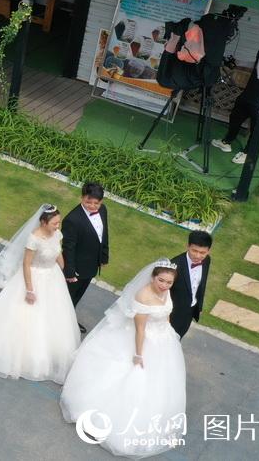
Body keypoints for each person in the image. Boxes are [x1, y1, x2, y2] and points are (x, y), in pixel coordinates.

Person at [60, 260, 186, 457]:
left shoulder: (166, 292)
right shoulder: (143, 296)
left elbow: (167, 314)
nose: (164, 285)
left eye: (169, 282)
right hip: (142, 341)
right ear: (153, 277)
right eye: (161, 280)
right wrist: (138, 354)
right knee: (131, 379)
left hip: (163, 339)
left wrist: (169, 332)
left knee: (161, 383)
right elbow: (140, 329)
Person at [0, 204, 80, 382]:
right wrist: (29, 289)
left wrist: (66, 270)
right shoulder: (33, 239)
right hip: (34, 277)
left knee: (53, 315)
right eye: (54, 223)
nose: (57, 226)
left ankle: (50, 351)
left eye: (58, 223)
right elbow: (26, 264)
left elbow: (58, 252)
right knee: (26, 317)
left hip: (53, 277)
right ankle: (24, 355)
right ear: (43, 222)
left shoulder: (56, 234)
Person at [212, 37, 259, 165]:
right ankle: (226, 142)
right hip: (248, 95)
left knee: (255, 128)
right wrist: (238, 62)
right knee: (235, 117)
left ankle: (248, 153)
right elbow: (256, 65)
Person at [62, 182, 110, 332]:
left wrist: (103, 256)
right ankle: (61, 326)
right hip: (76, 269)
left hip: (91, 266)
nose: (92, 206)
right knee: (66, 298)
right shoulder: (72, 219)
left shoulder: (102, 210)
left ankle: (68, 320)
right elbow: (68, 248)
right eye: (88, 201)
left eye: (96, 203)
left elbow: (104, 234)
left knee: (77, 297)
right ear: (82, 197)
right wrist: (70, 272)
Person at [169, 231, 212, 338]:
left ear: (209, 251)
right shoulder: (174, 265)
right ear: (188, 246)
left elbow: (202, 284)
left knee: (179, 338)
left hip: (190, 312)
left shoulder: (207, 260)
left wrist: (199, 306)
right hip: (172, 314)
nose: (198, 256)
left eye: (203, 252)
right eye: (194, 251)